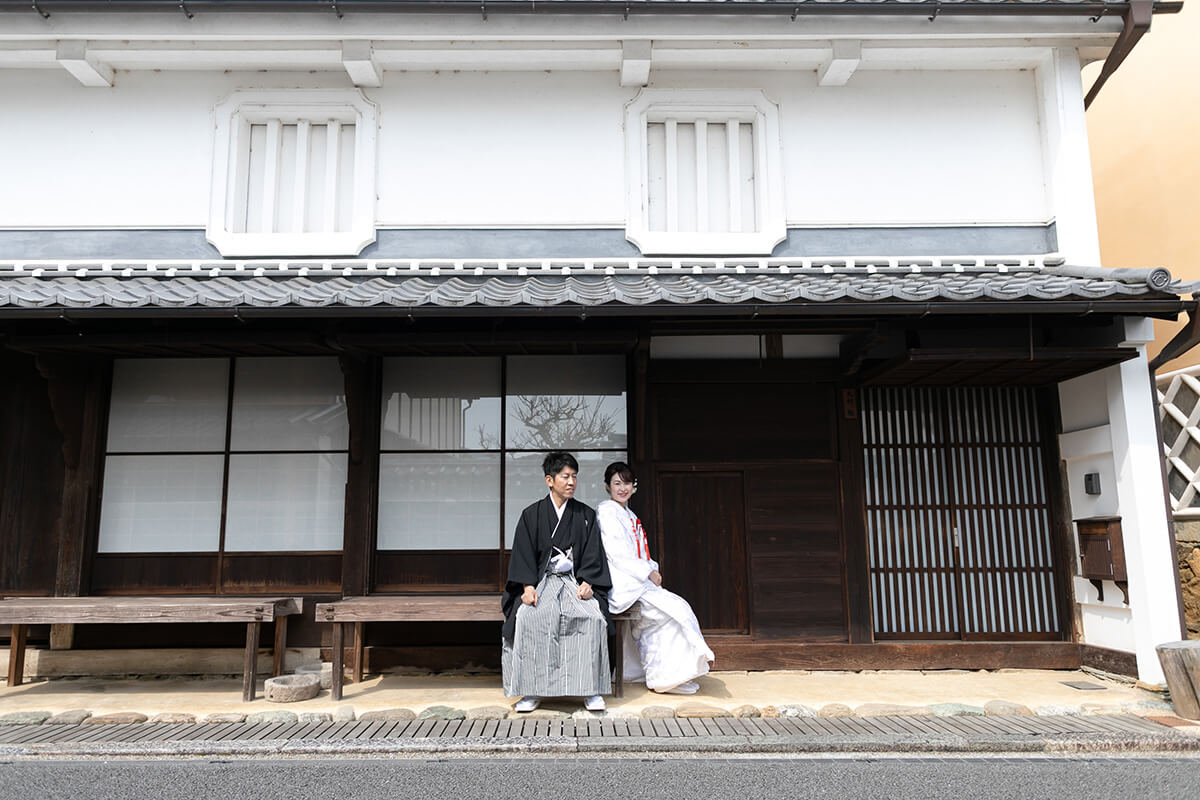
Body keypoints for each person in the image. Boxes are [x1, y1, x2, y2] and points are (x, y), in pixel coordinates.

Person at [501, 451, 614, 712]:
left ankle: (591, 690)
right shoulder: (532, 515)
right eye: (565, 476)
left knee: (592, 618)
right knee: (529, 618)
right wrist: (526, 587)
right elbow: (522, 554)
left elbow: (594, 555)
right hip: (541, 581)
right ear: (549, 480)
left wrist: (589, 582)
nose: (571, 482)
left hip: (574, 583)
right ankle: (531, 690)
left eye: (574, 476)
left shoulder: (585, 515)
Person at [596, 461, 714, 694]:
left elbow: (640, 551)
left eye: (627, 483)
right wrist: (647, 571)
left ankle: (670, 674)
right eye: (617, 483)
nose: (622, 488)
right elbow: (617, 552)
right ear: (607, 486)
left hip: (639, 581)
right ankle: (663, 678)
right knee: (669, 614)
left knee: (677, 608)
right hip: (625, 582)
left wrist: (650, 571)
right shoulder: (606, 511)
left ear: (634, 486)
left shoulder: (628, 513)